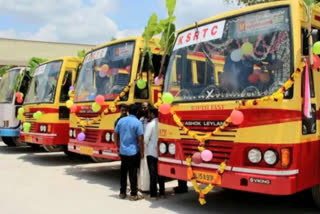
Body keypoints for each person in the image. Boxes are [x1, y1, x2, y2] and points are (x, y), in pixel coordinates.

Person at [114, 104, 144, 201]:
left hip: (123, 151)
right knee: (133, 173)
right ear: (137, 112)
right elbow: (140, 139)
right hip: (133, 152)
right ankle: (133, 194)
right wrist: (142, 151)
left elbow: (115, 134)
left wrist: (117, 146)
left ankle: (122, 192)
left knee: (123, 172)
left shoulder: (121, 121)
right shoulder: (137, 122)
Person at [144, 108, 165, 199]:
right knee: (161, 173)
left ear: (152, 114)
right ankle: (162, 192)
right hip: (161, 150)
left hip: (151, 151)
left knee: (153, 173)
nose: (148, 115)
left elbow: (145, 138)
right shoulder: (162, 124)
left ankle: (153, 194)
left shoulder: (150, 124)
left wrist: (148, 145)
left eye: (149, 113)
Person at [138, 102, 152, 192]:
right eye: (142, 108)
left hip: (152, 146)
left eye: (145, 108)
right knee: (143, 166)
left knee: (150, 167)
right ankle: (143, 186)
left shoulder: (154, 120)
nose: (144, 110)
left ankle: (149, 187)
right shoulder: (141, 119)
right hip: (143, 145)